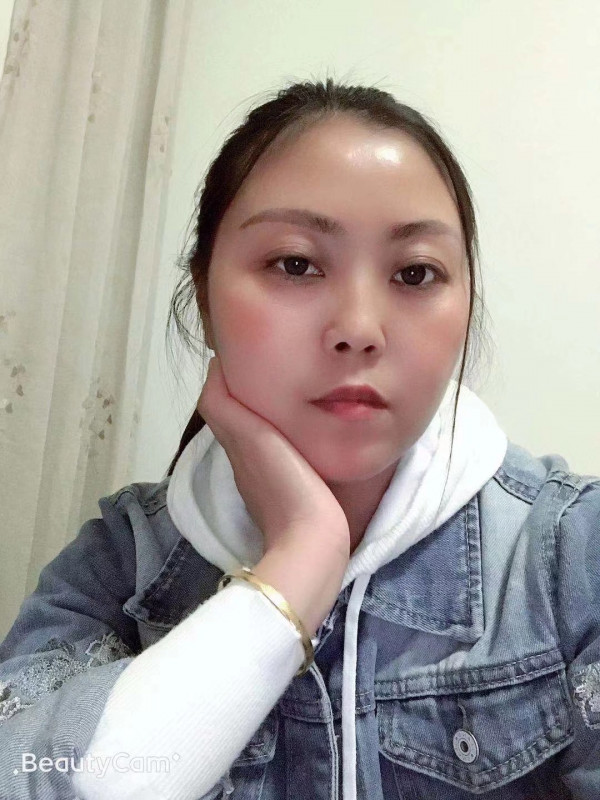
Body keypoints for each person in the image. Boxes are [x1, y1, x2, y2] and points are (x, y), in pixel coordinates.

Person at [1, 78, 599, 800]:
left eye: (415, 273)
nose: (359, 328)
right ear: (204, 296)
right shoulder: (120, 564)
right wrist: (297, 564)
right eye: (295, 264)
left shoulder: (572, 555)